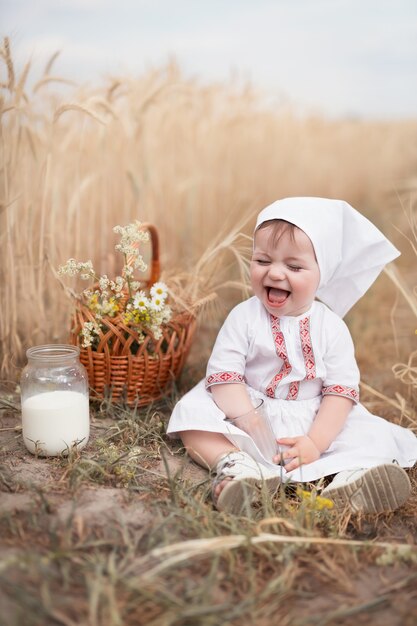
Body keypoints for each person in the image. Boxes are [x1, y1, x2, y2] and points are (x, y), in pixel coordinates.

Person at [167, 197, 417, 515]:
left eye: (294, 266)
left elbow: (340, 393)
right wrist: (249, 420)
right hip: (248, 410)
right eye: (262, 261)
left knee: (371, 434)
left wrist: (315, 442)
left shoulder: (332, 328)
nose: (274, 273)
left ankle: (350, 480)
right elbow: (225, 376)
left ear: (321, 274)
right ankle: (236, 467)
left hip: (312, 420)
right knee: (193, 416)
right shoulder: (243, 317)